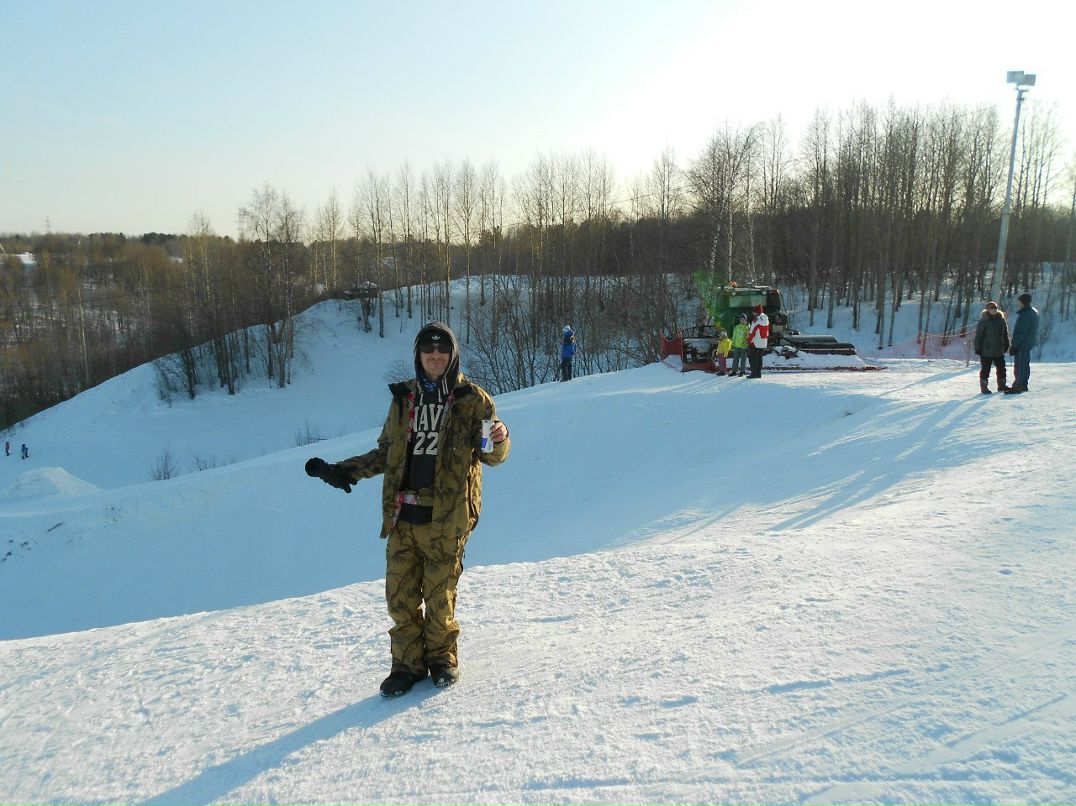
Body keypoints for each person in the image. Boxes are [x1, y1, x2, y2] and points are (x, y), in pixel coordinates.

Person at [305, 321, 511, 697]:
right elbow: (388, 452)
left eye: (442, 350)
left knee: (439, 597)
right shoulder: (403, 400)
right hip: (403, 517)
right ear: (418, 355)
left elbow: (491, 455)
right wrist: (343, 470)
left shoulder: (473, 399)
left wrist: (501, 438)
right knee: (399, 598)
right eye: (428, 350)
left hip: (446, 520)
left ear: (452, 355)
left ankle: (442, 660)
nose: (435, 356)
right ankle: (406, 666)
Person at [973, 301, 1010, 394]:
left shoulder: (1001, 320)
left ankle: (1002, 385)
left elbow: (1005, 334)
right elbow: (978, 336)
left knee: (1001, 368)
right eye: (991, 308)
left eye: (995, 307)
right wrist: (978, 348)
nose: (993, 309)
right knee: (986, 369)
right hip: (986, 350)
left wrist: (1007, 344)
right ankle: (984, 387)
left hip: (999, 349)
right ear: (987, 309)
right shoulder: (983, 321)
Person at [1006, 293, 1039, 395]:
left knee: (1020, 365)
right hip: (1028, 342)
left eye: (1019, 301)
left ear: (1023, 302)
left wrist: (1014, 346)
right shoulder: (1033, 312)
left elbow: (1020, 331)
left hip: (1022, 343)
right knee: (1025, 364)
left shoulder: (1025, 314)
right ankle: (1023, 384)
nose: (1017, 303)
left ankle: (1018, 385)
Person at [746, 305, 769, 379]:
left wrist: (749, 341)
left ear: (756, 312)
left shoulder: (756, 320)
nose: (753, 313)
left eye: (754, 311)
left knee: (753, 359)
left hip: (755, 342)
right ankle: (758, 373)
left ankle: (754, 373)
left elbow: (752, 333)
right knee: (759, 358)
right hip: (763, 342)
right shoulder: (766, 319)